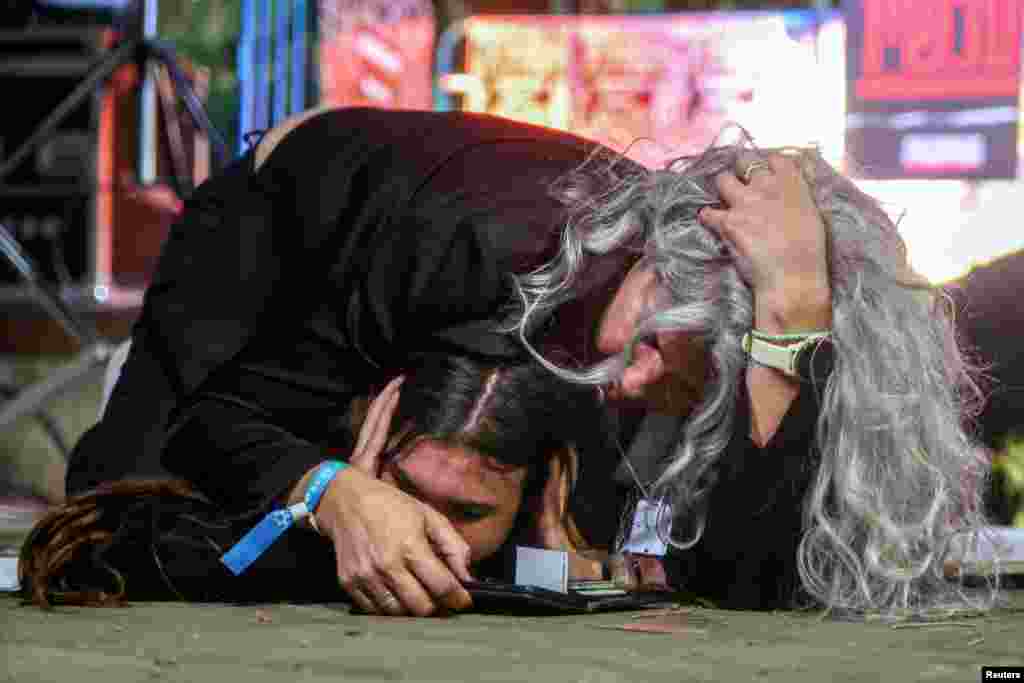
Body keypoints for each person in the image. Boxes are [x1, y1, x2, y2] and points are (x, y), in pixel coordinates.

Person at [65, 106, 994, 617]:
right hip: (281, 233)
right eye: (649, 336)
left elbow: (754, 582)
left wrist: (795, 314)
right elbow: (210, 423)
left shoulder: (682, 337)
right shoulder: (478, 256)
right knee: (115, 522)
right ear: (645, 255)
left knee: (462, 544)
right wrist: (334, 491)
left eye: (685, 378)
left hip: (497, 313)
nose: (633, 381)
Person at [21, 355, 613, 608]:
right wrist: (328, 514)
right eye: (403, 492)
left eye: (468, 512)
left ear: (536, 496)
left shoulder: (576, 508)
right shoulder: (300, 452)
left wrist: (558, 560)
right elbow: (81, 546)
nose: (423, 529)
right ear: (373, 452)